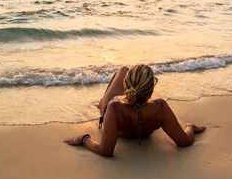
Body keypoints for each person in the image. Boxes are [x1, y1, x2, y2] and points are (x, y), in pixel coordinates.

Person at [64, 64, 206, 157]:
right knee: (126, 71)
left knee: (123, 71)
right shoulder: (161, 107)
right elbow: (185, 141)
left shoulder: (114, 108)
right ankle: (136, 90)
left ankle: (103, 102)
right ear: (151, 91)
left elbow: (105, 151)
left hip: (114, 113)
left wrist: (84, 139)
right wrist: (190, 127)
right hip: (137, 110)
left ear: (126, 87)